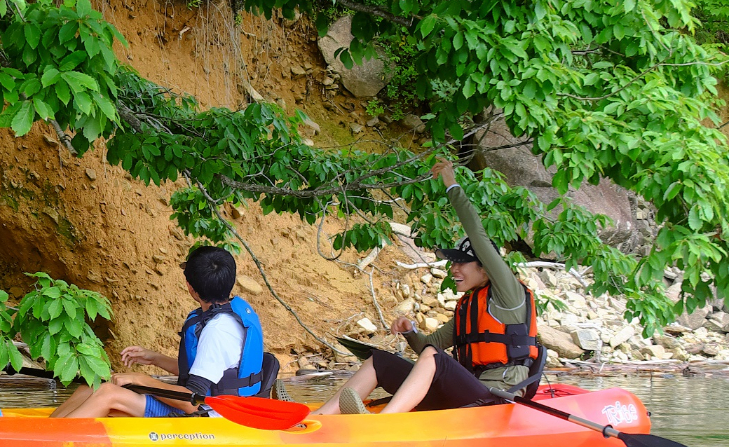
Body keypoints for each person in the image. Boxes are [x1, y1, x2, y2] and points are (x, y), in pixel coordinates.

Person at [315, 159, 540, 416]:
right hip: (468, 392)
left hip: (496, 399)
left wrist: (451, 184)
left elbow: (477, 233)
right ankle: (319, 418)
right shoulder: (470, 307)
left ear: (485, 268)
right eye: (453, 262)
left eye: (462, 263)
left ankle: (384, 422)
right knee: (380, 360)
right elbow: (428, 345)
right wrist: (411, 332)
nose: (454, 269)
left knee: (434, 356)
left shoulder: (508, 295)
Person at [50, 245, 279, 419]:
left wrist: (142, 379)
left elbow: (192, 401)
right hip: (208, 404)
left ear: (190, 288)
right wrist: (154, 359)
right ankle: (47, 432)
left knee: (108, 393)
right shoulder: (231, 317)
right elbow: (208, 372)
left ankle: (52, 445)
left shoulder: (217, 331)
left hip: (208, 417)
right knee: (92, 386)